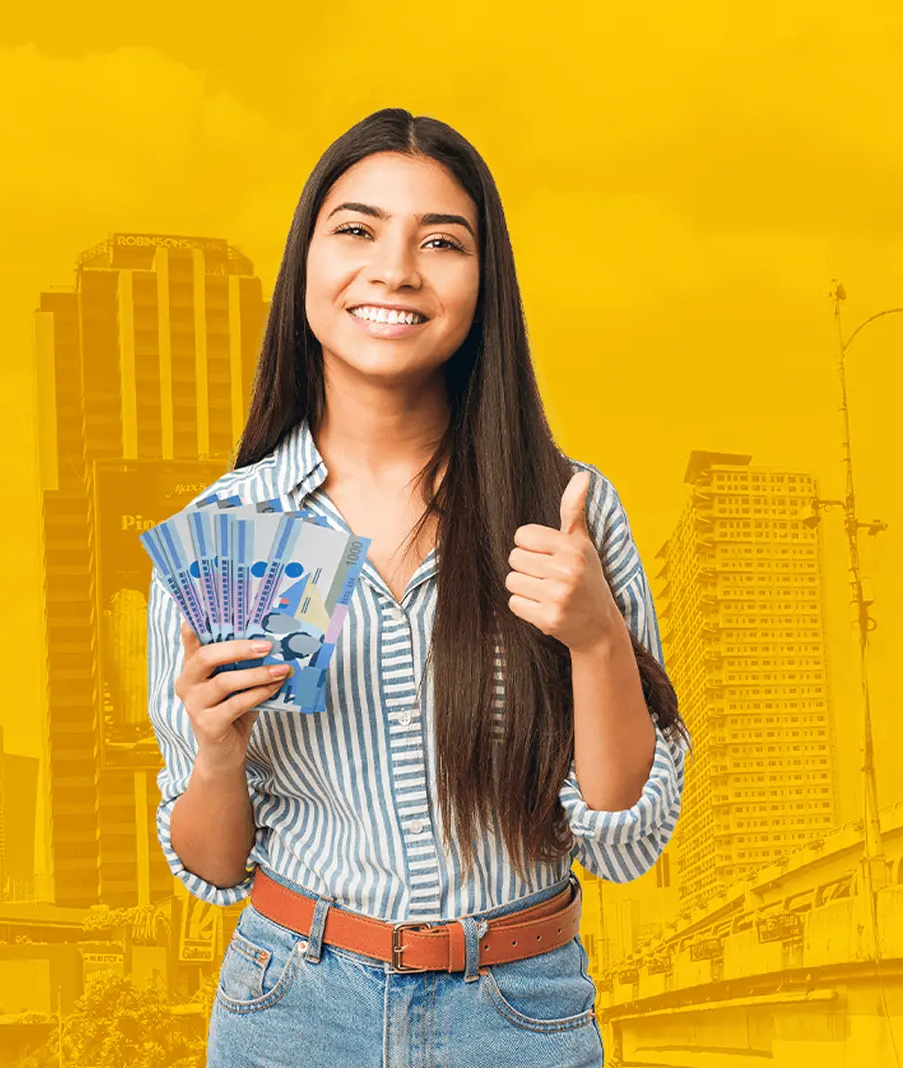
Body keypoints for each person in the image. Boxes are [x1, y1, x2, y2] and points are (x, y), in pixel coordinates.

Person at [148, 107, 690, 1068]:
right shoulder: (230, 533)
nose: (395, 269)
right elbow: (216, 866)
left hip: (520, 1011)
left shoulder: (566, 508)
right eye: (356, 230)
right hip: (290, 1009)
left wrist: (598, 640)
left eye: (441, 242)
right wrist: (218, 752)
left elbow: (624, 844)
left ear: (485, 286)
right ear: (305, 266)